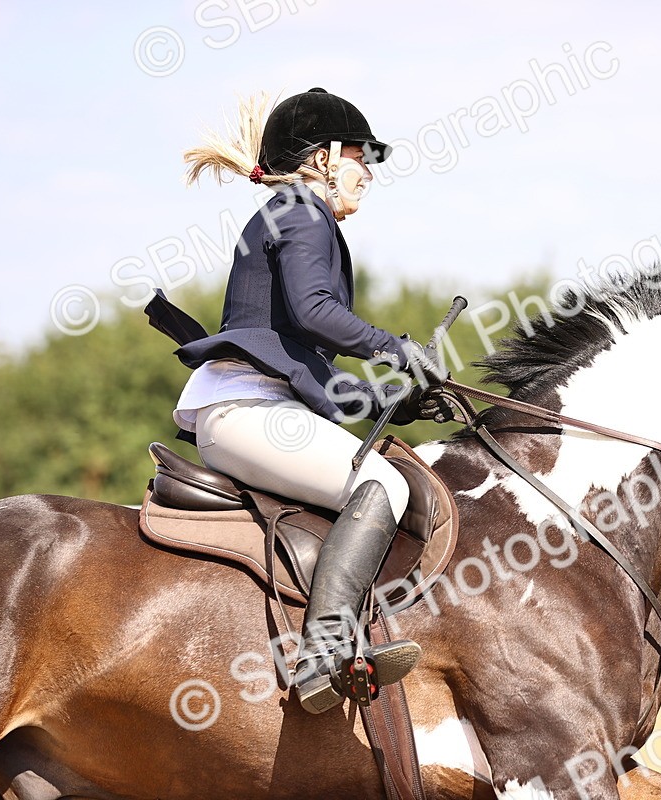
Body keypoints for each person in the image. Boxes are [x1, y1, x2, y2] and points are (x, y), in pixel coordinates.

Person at [167, 88, 448, 714]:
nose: (368, 173)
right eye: (359, 157)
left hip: (264, 409)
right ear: (322, 158)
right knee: (383, 485)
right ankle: (322, 656)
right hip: (246, 412)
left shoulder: (292, 213)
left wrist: (388, 400)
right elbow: (315, 313)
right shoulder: (301, 212)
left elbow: (300, 361)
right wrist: (396, 348)